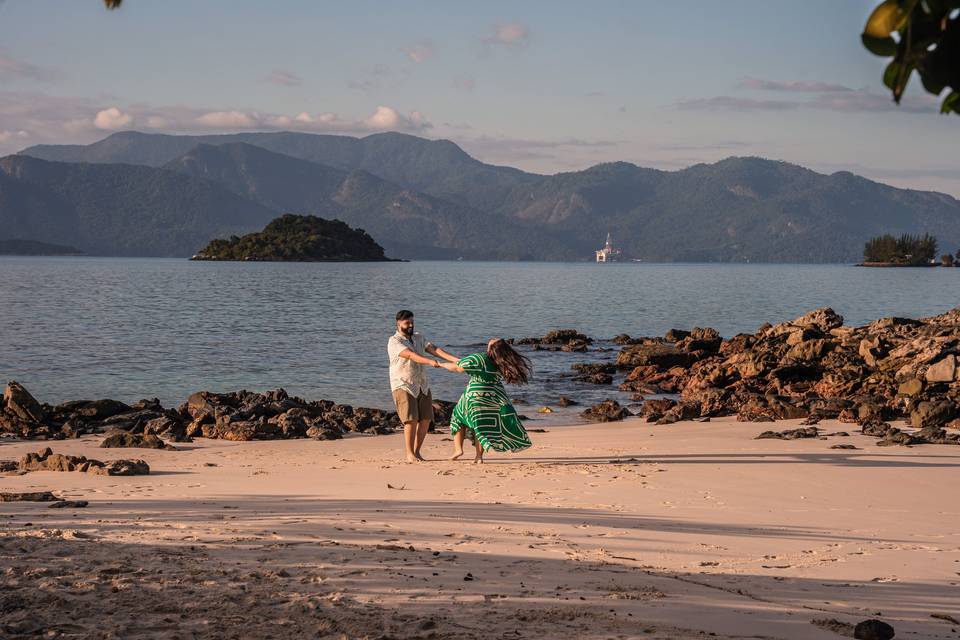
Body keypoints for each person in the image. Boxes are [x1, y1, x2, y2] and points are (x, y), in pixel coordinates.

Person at [441, 338, 533, 463]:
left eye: (492, 341)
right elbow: (461, 362)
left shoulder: (480, 358)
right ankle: (479, 456)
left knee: (458, 416)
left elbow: (458, 367)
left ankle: (458, 450)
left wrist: (440, 364)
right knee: (481, 425)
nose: (491, 339)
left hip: (475, 395)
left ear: (492, 348)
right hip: (494, 397)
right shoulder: (501, 363)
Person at [387, 310, 460, 463]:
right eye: (407, 323)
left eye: (412, 322)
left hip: (422, 385)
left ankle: (417, 452)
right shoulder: (394, 341)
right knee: (411, 420)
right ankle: (409, 454)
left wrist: (457, 360)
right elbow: (410, 355)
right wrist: (430, 362)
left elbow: (435, 350)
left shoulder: (419, 337)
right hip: (403, 384)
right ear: (398, 324)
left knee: (426, 419)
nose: (411, 325)